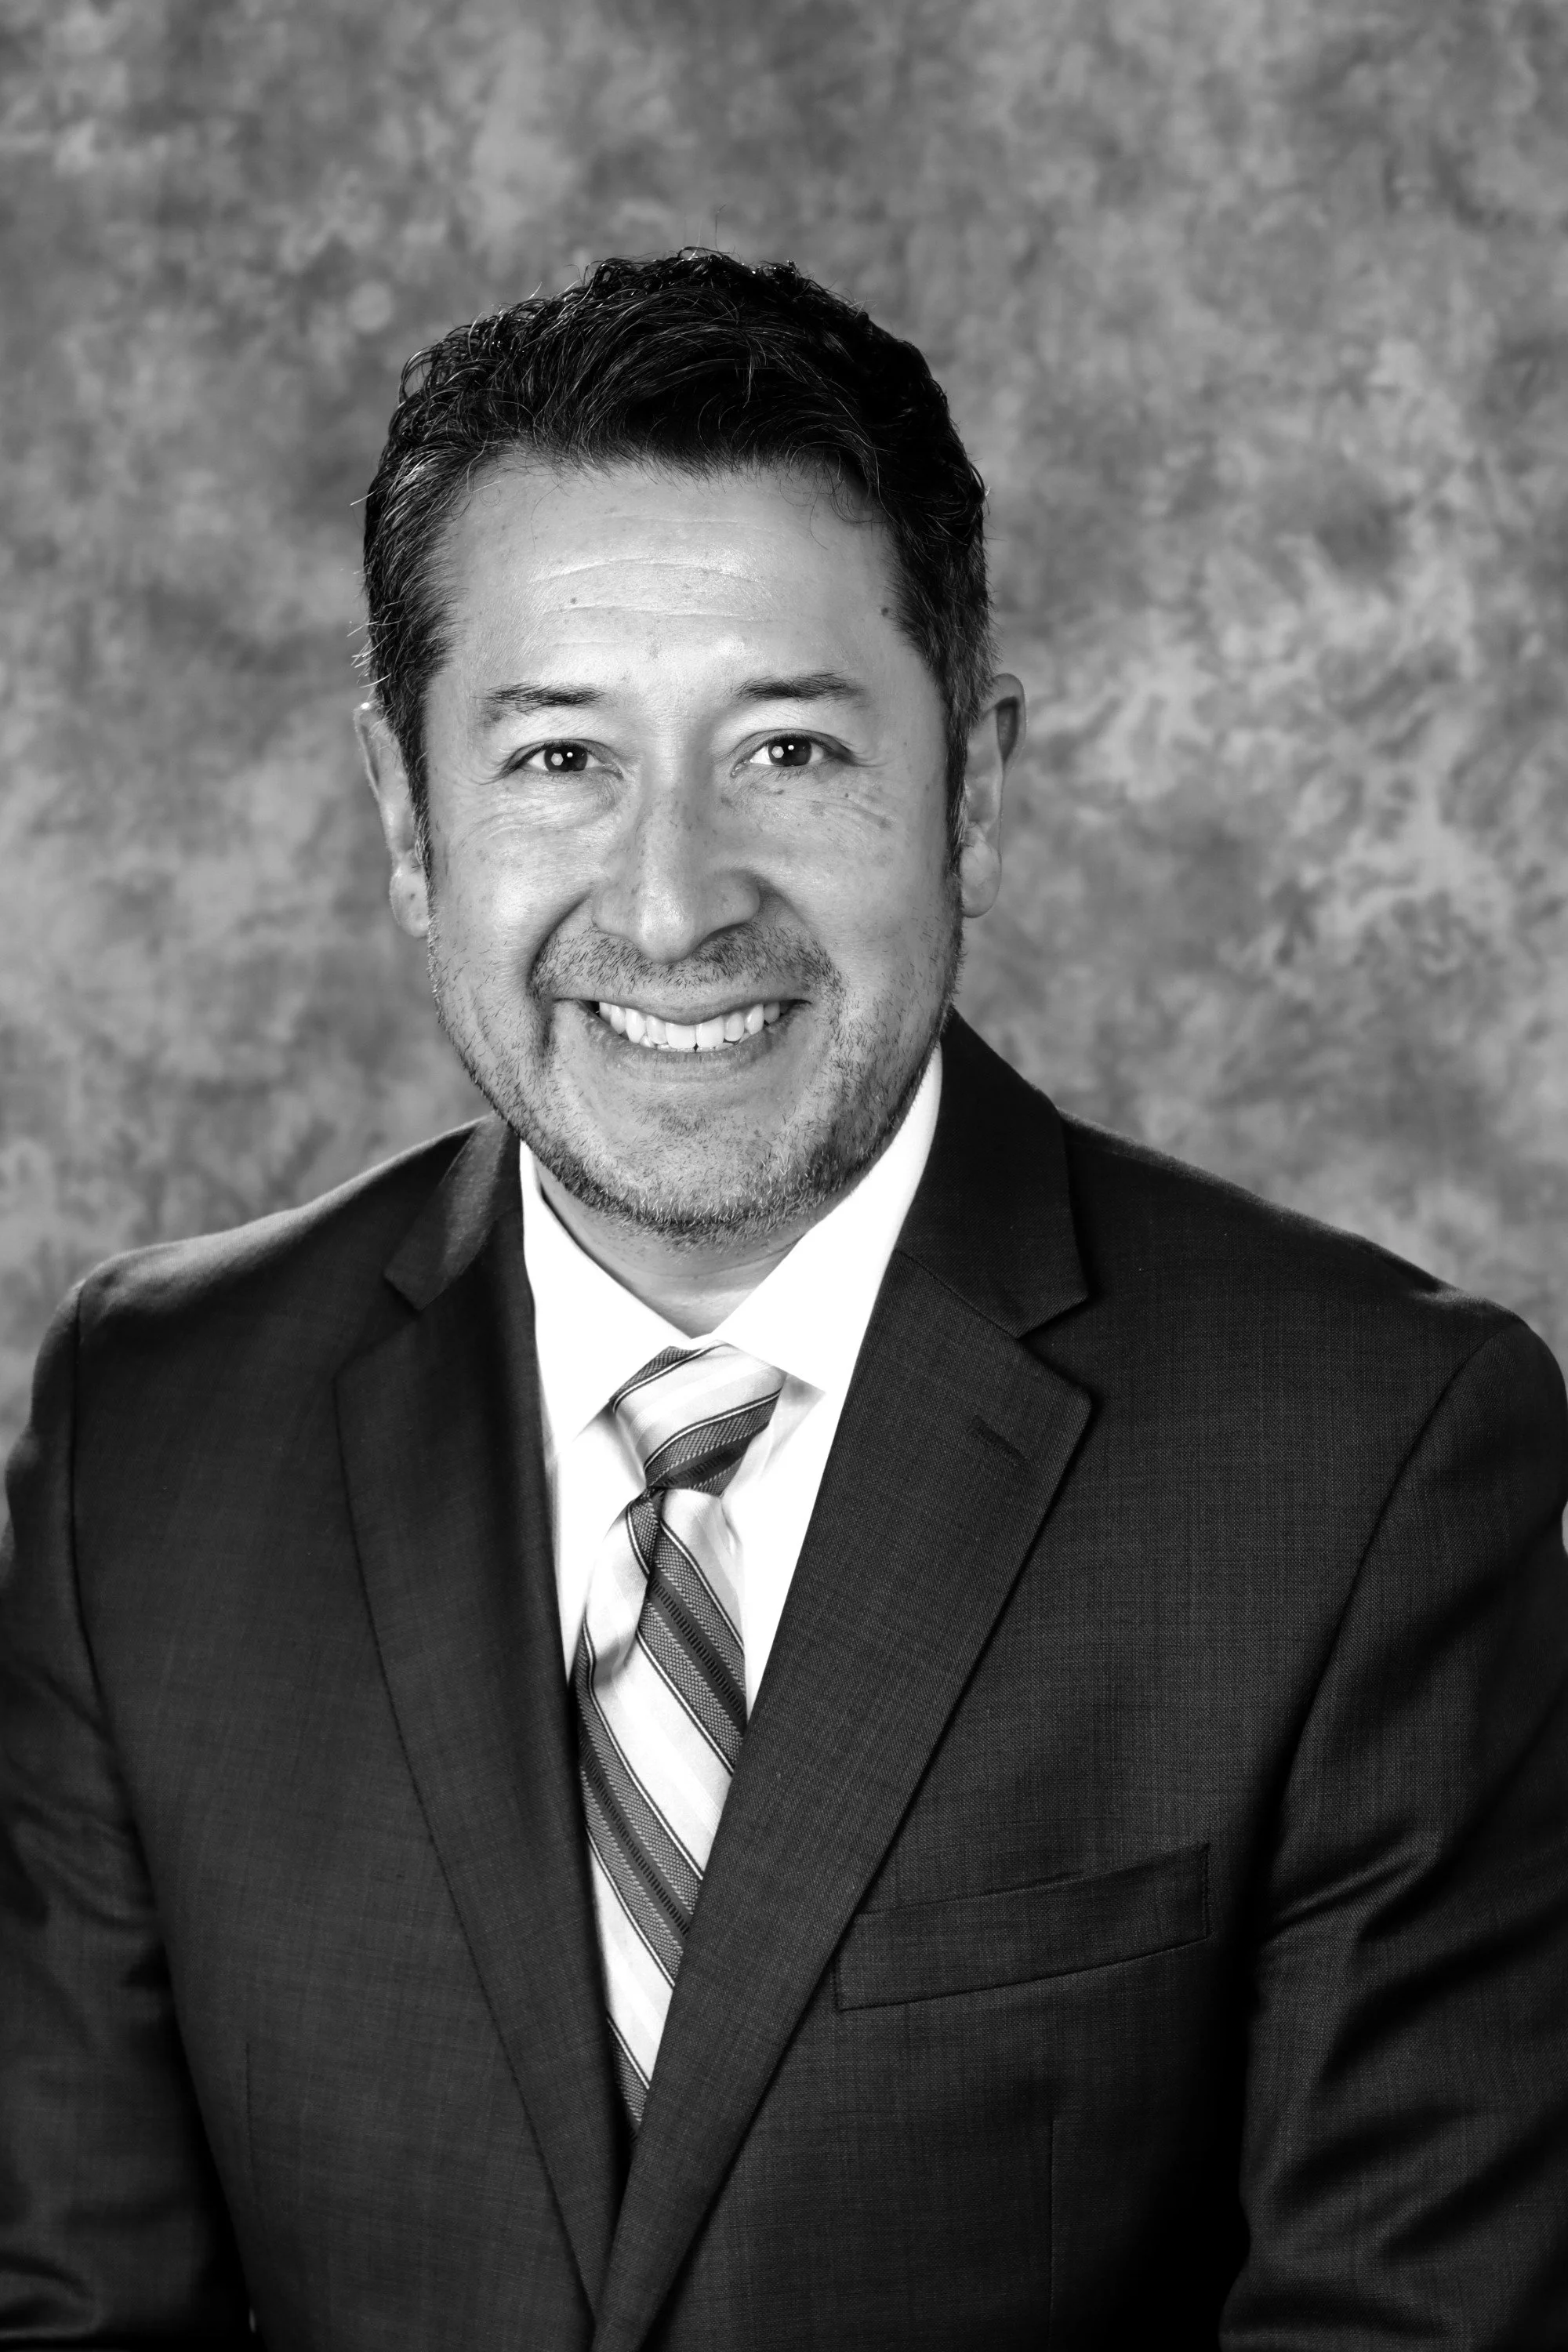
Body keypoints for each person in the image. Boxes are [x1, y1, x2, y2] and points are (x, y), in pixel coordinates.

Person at [2, 249, 1566, 2352]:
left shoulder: (1362, 1465)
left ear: (973, 790)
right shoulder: (153, 1424)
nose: (672, 905)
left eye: (793, 754)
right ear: (408, 819)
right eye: (561, 759)